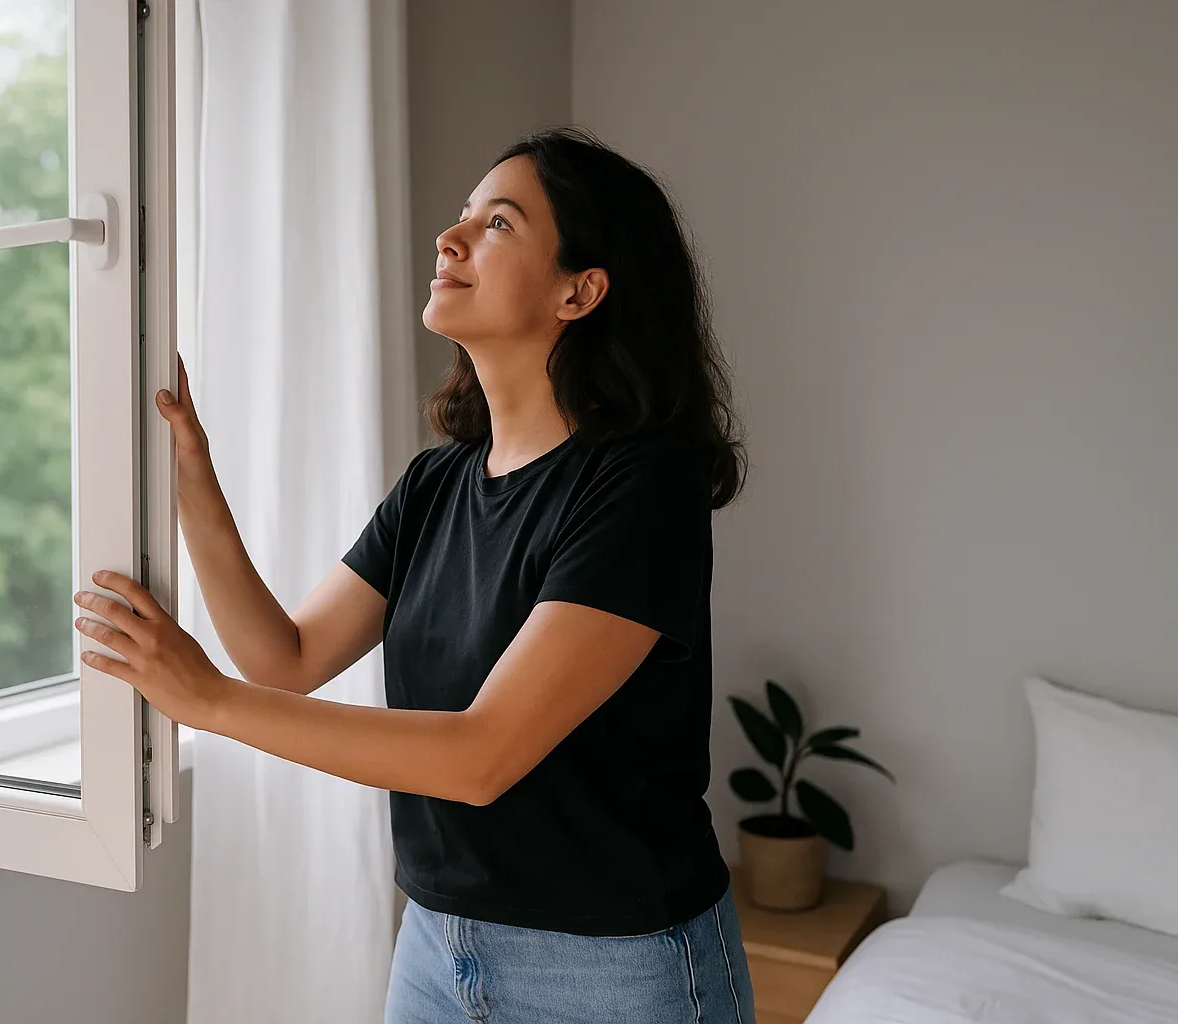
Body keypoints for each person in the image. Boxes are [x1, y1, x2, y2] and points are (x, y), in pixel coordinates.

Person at [71, 126, 753, 1024]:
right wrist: (191, 475)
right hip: (438, 944)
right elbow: (286, 657)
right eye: (462, 215)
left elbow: (481, 757)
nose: (451, 238)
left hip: (613, 969)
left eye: (498, 223)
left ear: (580, 291)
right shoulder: (439, 482)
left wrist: (205, 704)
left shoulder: (641, 487)